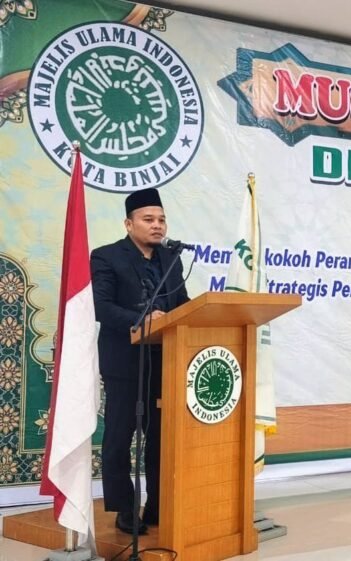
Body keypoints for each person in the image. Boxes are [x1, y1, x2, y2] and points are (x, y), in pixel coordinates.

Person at [90, 188, 190, 534]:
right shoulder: (106, 256)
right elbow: (101, 306)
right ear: (128, 224)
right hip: (124, 362)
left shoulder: (171, 259)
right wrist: (142, 321)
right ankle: (124, 509)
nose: (157, 225)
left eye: (161, 219)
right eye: (149, 219)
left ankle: (158, 507)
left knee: (161, 437)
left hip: (165, 361)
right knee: (119, 437)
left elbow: (182, 303)